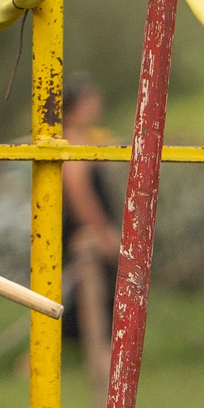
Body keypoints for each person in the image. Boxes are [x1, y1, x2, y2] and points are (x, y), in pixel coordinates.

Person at [59, 82, 121, 391]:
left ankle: (103, 358)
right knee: (81, 300)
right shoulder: (70, 142)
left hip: (93, 232)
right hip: (85, 237)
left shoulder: (89, 139)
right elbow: (79, 194)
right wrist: (102, 232)